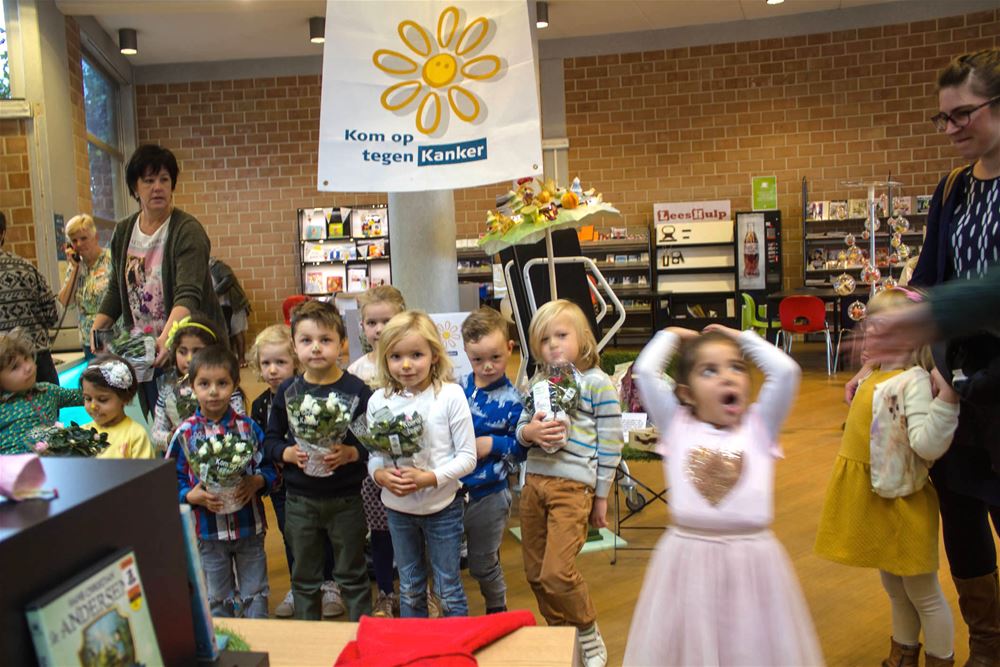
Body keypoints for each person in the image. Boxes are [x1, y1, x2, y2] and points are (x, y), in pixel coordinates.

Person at [624, 324, 821, 666]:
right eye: (709, 371)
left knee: (748, 648)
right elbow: (646, 370)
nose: (727, 377)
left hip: (752, 565)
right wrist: (671, 335)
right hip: (687, 563)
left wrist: (742, 337)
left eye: (736, 367)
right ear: (686, 394)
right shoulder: (677, 424)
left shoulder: (760, 426)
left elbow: (786, 371)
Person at [901, 48, 1000, 666]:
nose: (952, 128)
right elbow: (929, 279)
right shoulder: (954, 188)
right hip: (951, 381)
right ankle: (987, 645)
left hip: (998, 383)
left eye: (964, 113)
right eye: (943, 117)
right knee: (960, 516)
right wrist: (896, 324)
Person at [815, 289, 960, 667]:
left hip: (903, 507)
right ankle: (903, 654)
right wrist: (866, 371)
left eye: (880, 329)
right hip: (879, 499)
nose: (867, 336)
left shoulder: (911, 382)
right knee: (894, 588)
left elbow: (927, 445)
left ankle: (940, 659)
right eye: (868, 327)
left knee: (924, 594)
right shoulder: (878, 375)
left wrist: (947, 399)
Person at [515, 299, 623, 667]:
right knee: (535, 574)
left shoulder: (596, 383)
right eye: (544, 340)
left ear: (583, 338)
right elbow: (521, 427)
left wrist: (601, 496)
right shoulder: (538, 383)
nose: (553, 345)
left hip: (573, 488)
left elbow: (611, 442)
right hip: (533, 485)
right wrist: (529, 432)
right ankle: (562, 635)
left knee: (556, 573)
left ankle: (586, 630)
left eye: (561, 335)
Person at [91, 144, 228, 413]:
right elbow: (118, 289)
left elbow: (188, 295)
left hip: (186, 348)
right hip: (143, 351)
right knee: (157, 419)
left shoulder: (187, 230)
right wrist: (97, 329)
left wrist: (166, 339)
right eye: (149, 180)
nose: (157, 187)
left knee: (193, 418)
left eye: (164, 180)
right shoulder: (124, 231)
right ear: (135, 188)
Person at [263, 300, 372, 621]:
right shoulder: (288, 390)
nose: (315, 348)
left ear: (342, 343)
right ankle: (307, 637)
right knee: (304, 577)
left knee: (352, 573)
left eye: (325, 340)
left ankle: (362, 635)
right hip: (300, 500)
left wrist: (352, 453)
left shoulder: (357, 390)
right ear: (294, 345)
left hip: (346, 499)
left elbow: (372, 443)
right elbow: (270, 439)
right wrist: (285, 453)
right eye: (306, 340)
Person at [367, 310, 477, 618]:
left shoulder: (451, 395)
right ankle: (415, 641)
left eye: (416, 355)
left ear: (434, 355)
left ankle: (456, 641)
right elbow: (375, 455)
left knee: (447, 586)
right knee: (410, 585)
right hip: (398, 509)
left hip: (443, 508)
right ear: (385, 359)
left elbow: (468, 457)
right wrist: (379, 475)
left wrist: (429, 478)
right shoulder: (378, 400)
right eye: (396, 356)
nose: (406, 365)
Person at [168, 345, 276, 618]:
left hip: (249, 527)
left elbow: (270, 467)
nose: (213, 391)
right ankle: (227, 640)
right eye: (204, 384)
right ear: (192, 387)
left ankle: (259, 637)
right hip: (208, 532)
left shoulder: (248, 428)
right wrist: (189, 496)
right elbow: (169, 479)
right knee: (216, 597)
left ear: (235, 384)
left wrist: (257, 481)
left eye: (222, 383)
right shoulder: (185, 433)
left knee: (256, 593)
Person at [458, 307, 525, 614]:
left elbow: (522, 448)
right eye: (478, 359)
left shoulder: (514, 401)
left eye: (495, 358)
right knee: (446, 560)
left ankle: (497, 608)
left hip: (490, 494)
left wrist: (492, 444)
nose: (487, 366)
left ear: (509, 349)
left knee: (483, 563)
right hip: (451, 493)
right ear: (466, 353)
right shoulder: (457, 389)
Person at [346, 284, 406, 617]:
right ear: (362, 326)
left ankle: (416, 590)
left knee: (413, 533)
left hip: (413, 466)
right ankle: (385, 591)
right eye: (372, 322)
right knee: (381, 533)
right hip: (374, 469)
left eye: (388, 321)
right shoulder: (357, 371)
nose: (379, 329)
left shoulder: (414, 362)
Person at [247, 324, 304, 618]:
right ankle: (298, 586)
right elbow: (258, 443)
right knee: (289, 534)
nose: (272, 370)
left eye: (280, 362)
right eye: (266, 363)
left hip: (309, 481)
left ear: (295, 361)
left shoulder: (307, 393)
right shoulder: (260, 405)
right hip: (281, 487)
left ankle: (327, 582)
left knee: (319, 536)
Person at [151, 315, 244, 454]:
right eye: (182, 352)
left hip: (221, 455)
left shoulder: (226, 389)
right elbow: (156, 433)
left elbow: (241, 427)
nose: (189, 359)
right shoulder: (168, 389)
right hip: (181, 458)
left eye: (197, 351)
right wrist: (172, 437)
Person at [0, 328, 83, 455]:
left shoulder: (47, 391)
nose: (28, 367)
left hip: (53, 462)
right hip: (14, 465)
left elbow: (86, 396)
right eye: (15, 367)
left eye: (27, 358)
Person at [0, 211, 60, 385]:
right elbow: (52, 316)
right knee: (50, 402)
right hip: (37, 360)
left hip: (4, 370)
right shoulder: (26, 268)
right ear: (3, 233)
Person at [57, 214, 113, 360]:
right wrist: (75, 269)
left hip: (113, 338)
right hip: (89, 341)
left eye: (84, 238)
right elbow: (65, 302)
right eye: (74, 240)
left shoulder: (111, 260)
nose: (79, 244)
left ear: (96, 237)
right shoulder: (75, 267)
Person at [81, 355, 154, 460]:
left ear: (125, 398)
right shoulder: (82, 433)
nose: (93, 406)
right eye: (88, 398)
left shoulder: (136, 435)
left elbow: (146, 470)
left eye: (102, 399)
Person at [209, 257, 251, 367]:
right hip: (222, 306)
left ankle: (241, 359)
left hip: (235, 303)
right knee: (226, 332)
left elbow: (229, 278)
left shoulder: (217, 266)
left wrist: (215, 293)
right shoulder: (203, 271)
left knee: (238, 331)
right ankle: (229, 359)